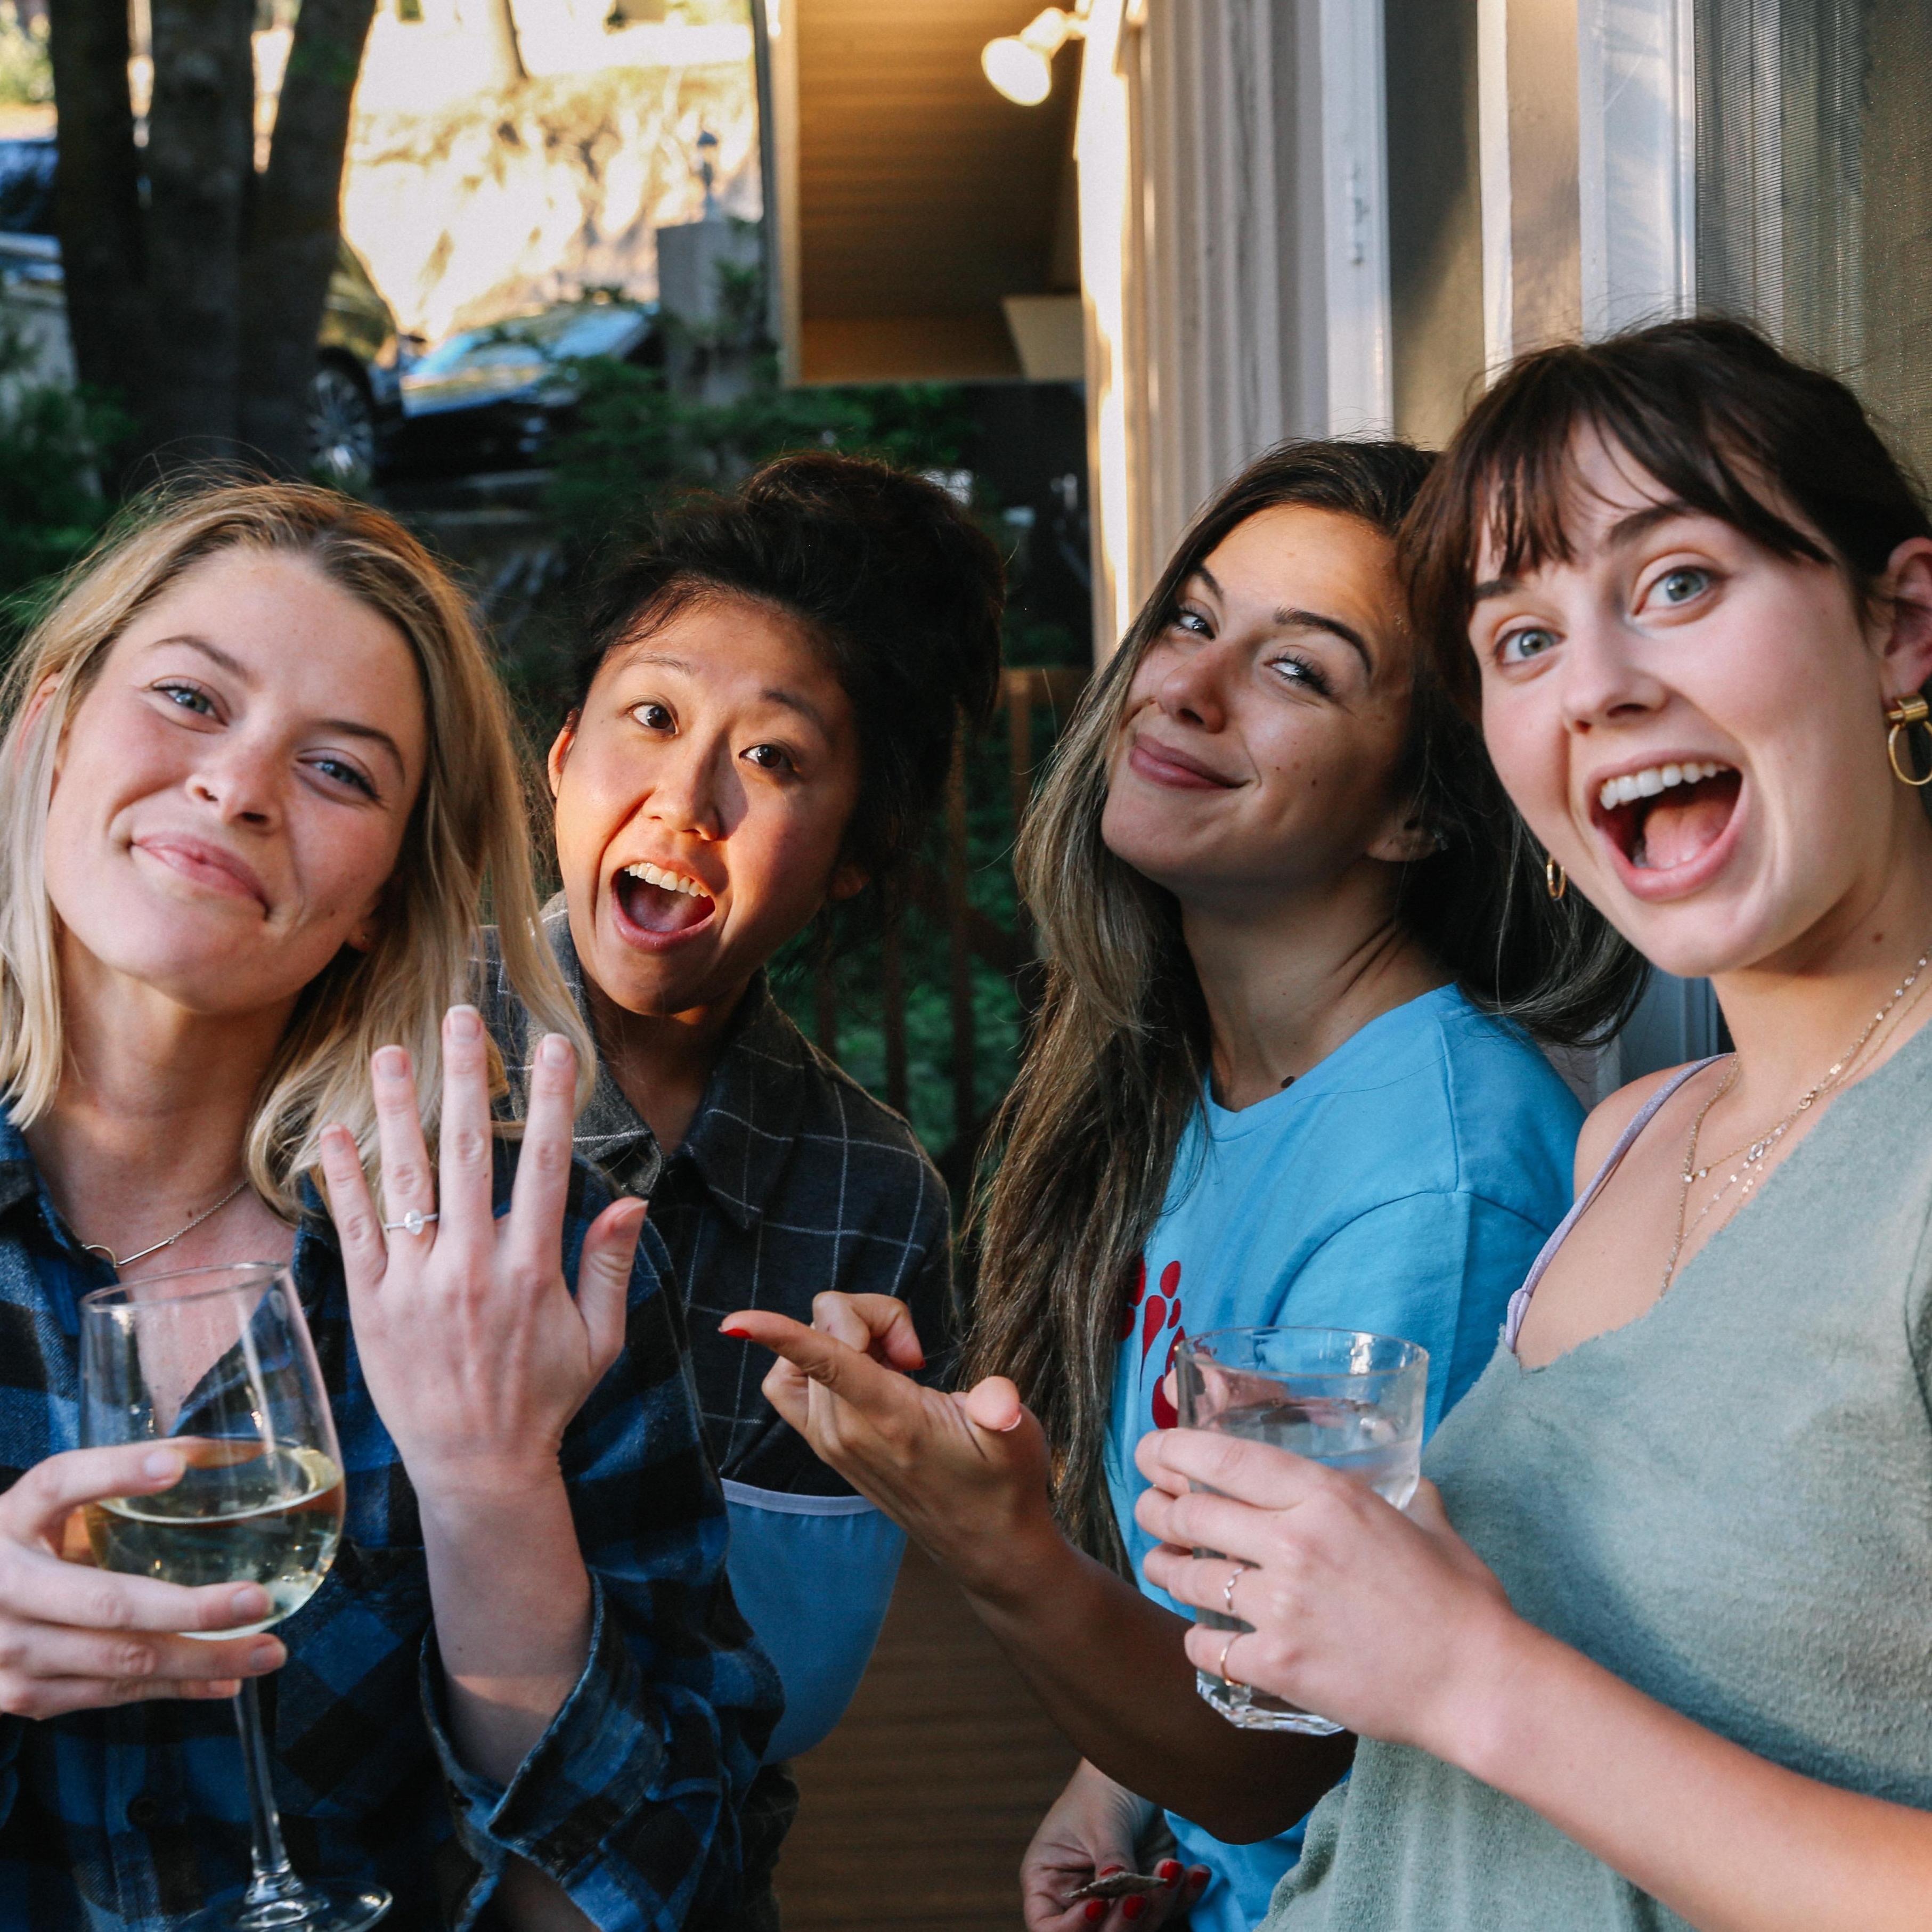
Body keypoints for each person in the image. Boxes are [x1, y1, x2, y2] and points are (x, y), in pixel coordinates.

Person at [722, 441, 1641, 1932]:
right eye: (1191, 621)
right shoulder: (1223, 1080)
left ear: (1417, 807)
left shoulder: (1433, 1182)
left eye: (1298, 672)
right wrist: (1111, 1787)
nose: (1186, 690)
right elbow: (1227, 1667)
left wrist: (991, 1539)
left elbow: (1275, 1755)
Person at [1131, 317, 1932, 1932]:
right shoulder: (1630, 1135)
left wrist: (1463, 1671)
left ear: (1901, 625)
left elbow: (1489, 1695)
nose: (1601, 690)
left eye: (1677, 584)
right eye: (1521, 642)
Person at [0, 480, 775, 1930]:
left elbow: (675, 1894)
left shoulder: (519, 1258)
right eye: (187, 696)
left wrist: (493, 1492)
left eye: (341, 772)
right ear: (49, 733)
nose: (236, 787)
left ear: (378, 898)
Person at [478, 451, 1005, 1921]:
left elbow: (785, 1684)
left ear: (850, 860)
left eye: (773, 758)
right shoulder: (373, 1076)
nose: (687, 795)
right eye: (649, 717)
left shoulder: (872, 1195)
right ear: (563, 752)